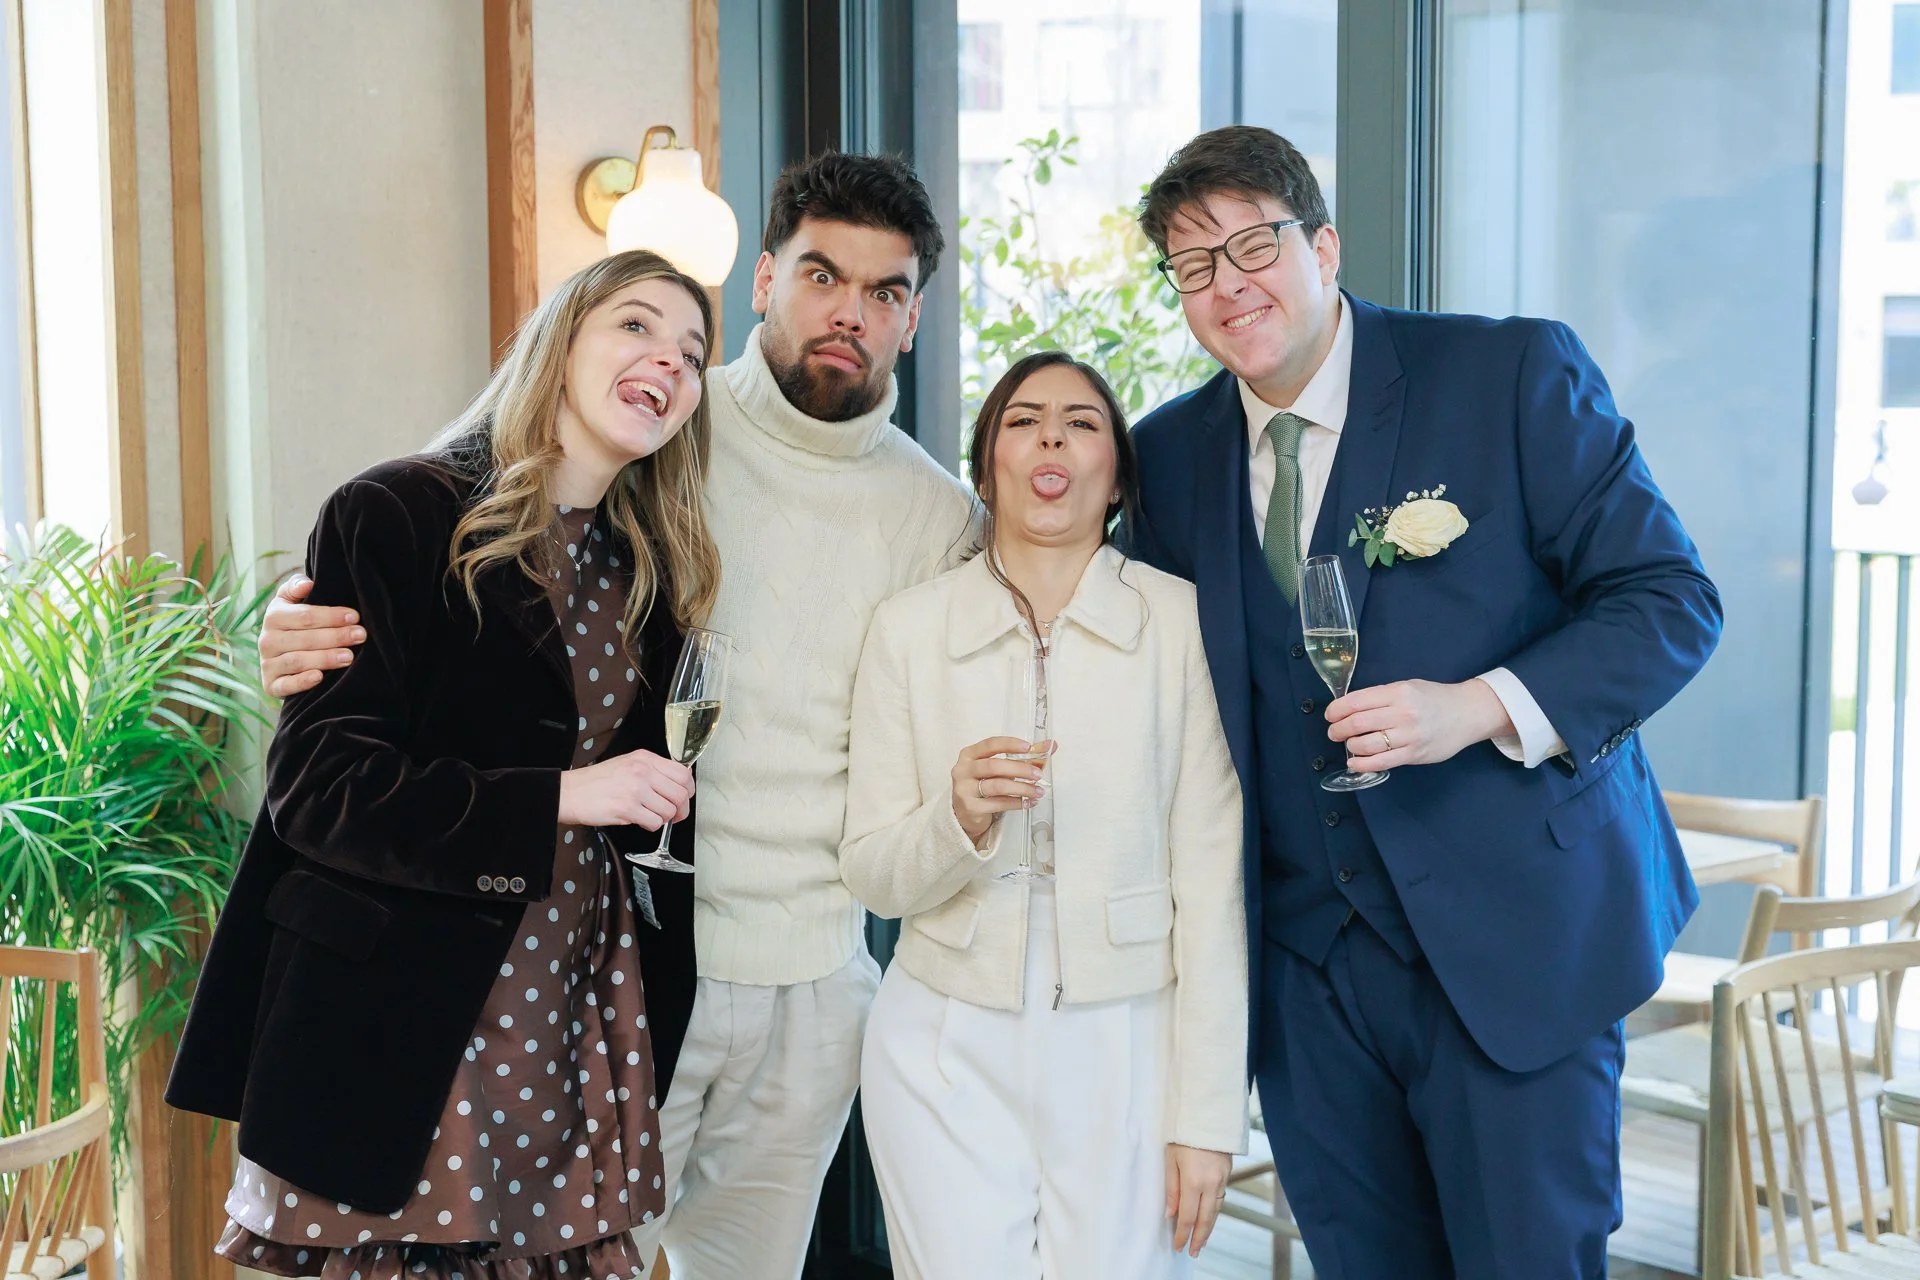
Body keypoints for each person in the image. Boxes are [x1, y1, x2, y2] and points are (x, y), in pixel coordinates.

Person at [247, 152, 977, 1279]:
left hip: (808, 975)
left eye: (884, 292)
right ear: (768, 276)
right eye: (823, 274)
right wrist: (294, 619)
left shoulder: (937, 512)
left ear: (914, 318)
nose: (850, 311)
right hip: (628, 959)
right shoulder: (666, 440)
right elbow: (468, 516)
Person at [1126, 125, 1724, 1279]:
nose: (1227, 284)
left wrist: (1483, 706)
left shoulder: (1506, 375)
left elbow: (1669, 598)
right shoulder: (1169, 458)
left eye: (1253, 244)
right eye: (1193, 266)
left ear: (1326, 245)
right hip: (1304, 973)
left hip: (1518, 944)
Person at [166, 249, 720, 1279]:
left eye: (692, 352)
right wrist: (564, 796)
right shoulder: (397, 513)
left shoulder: (645, 569)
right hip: (401, 1026)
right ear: (562, 343)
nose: (669, 361)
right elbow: (321, 790)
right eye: (636, 325)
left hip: (568, 1019)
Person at [842, 351, 1246, 1279]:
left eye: (1083, 421)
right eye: (1023, 420)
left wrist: (1206, 1120)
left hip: (1130, 1044)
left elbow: (1213, 888)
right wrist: (956, 817)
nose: (1053, 435)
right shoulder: (908, 630)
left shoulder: (1182, 624)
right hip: (940, 1043)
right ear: (985, 470)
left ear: (1115, 477)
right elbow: (870, 871)